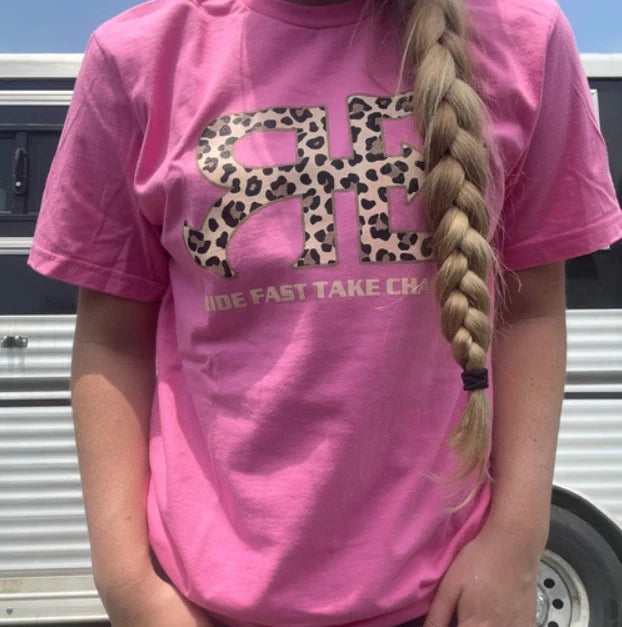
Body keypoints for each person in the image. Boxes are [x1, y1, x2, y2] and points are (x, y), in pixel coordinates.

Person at [26, 0, 622, 625]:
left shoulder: (523, 38)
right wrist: (127, 584)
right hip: (200, 603)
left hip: (442, 598)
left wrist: (516, 545)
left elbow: (529, 309)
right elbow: (112, 339)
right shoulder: (138, 57)